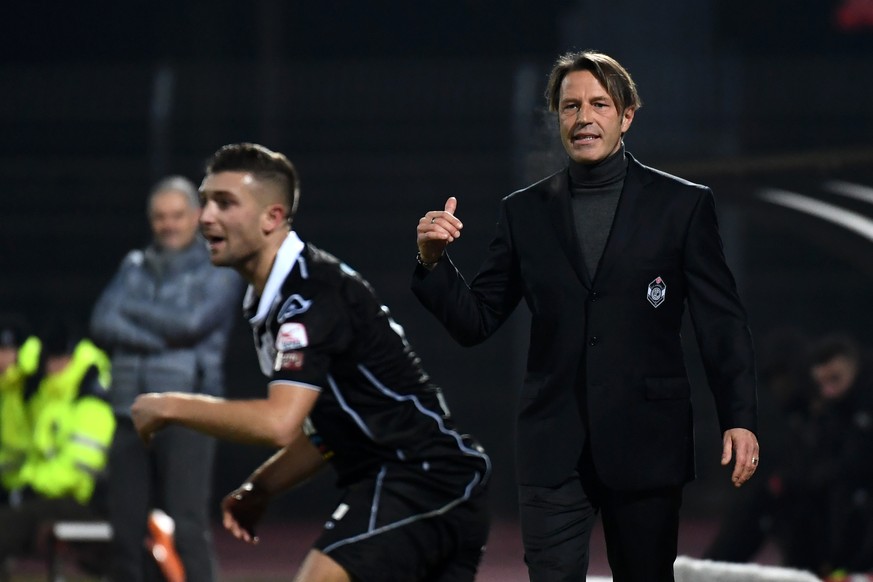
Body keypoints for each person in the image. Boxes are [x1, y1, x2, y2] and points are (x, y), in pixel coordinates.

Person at [412, 50, 759, 581]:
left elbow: (721, 321)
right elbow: (475, 321)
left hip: (648, 443)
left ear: (627, 115)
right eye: (570, 106)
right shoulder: (523, 212)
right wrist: (433, 263)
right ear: (557, 118)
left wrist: (738, 416)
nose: (584, 117)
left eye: (600, 103)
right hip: (553, 446)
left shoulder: (682, 205)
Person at [130, 143, 492, 582]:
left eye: (224, 203)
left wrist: (168, 406)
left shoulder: (310, 294)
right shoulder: (275, 296)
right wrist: (263, 487)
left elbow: (279, 423)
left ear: (273, 217)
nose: (206, 216)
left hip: (421, 479)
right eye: (205, 200)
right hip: (425, 482)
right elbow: (326, 433)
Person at [90, 176, 242, 582]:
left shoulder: (218, 265)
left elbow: (189, 323)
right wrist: (161, 335)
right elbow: (102, 321)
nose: (168, 225)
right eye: (159, 217)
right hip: (129, 410)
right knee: (125, 530)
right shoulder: (134, 264)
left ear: (196, 216)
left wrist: (133, 314)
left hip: (188, 412)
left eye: (177, 215)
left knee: (188, 525)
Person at [0, 318, 114, 580]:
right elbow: (17, 444)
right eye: (48, 358)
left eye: (59, 357)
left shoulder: (91, 400)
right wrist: (15, 376)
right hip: (48, 496)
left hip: (80, 501)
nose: (52, 365)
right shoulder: (49, 397)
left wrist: (29, 486)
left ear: (74, 356)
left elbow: (76, 472)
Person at [0, 315, 41, 499]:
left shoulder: (29, 384)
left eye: (8, 350)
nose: (3, 358)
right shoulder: (6, 387)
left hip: (30, 482)